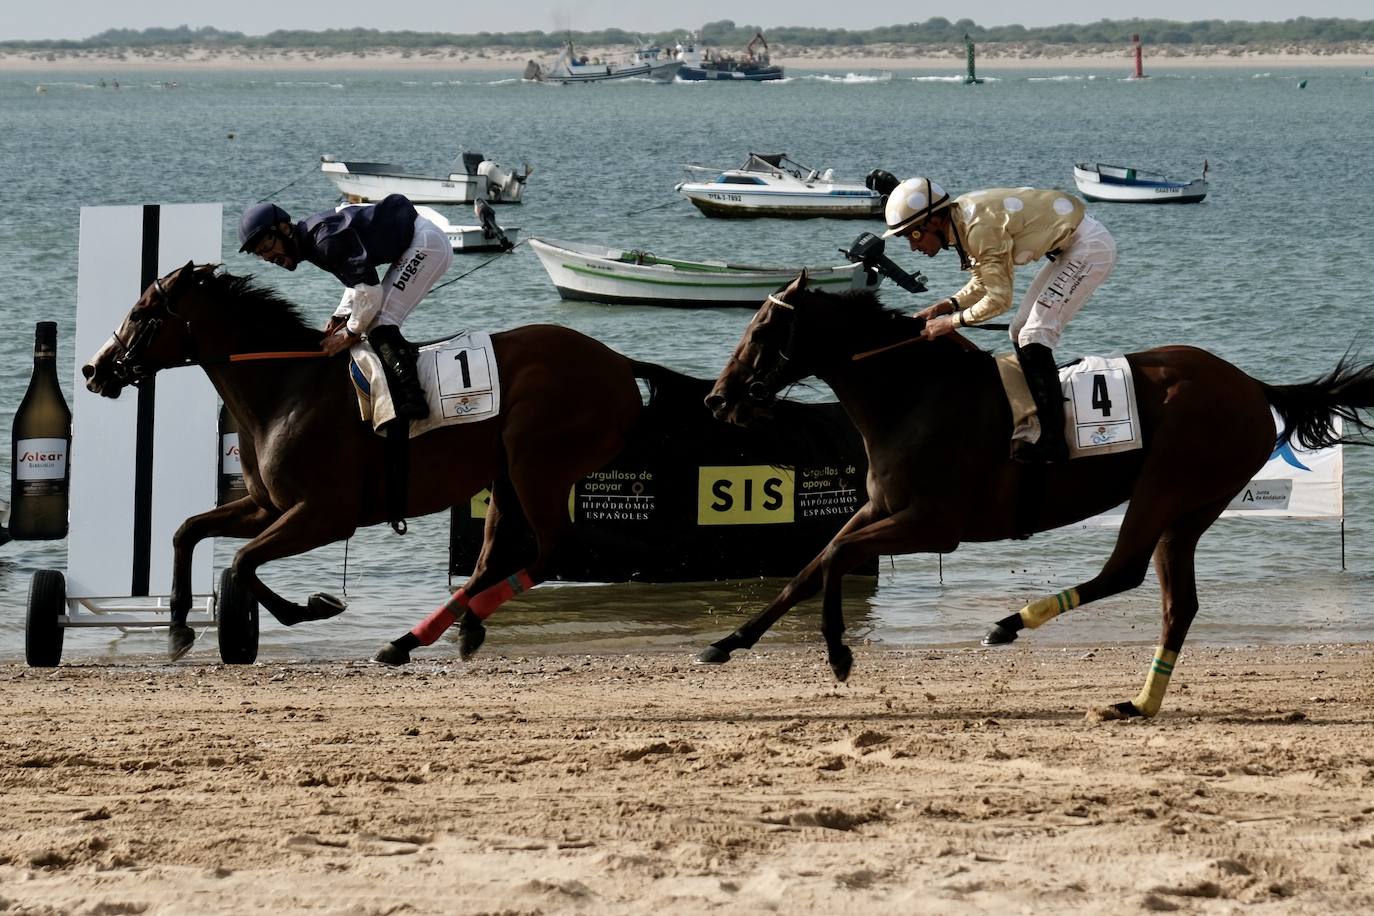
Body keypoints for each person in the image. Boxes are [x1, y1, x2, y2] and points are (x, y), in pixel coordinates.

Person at [883, 177, 1117, 463]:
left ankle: (1053, 441)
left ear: (932, 221)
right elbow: (983, 282)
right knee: (1019, 331)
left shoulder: (978, 228)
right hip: (1071, 247)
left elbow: (999, 300)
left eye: (912, 235)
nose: (913, 247)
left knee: (1035, 335)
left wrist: (949, 323)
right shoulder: (962, 221)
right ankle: (1036, 420)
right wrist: (945, 306)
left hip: (1088, 248)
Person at [237, 194, 453, 421]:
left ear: (283, 228)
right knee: (368, 319)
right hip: (415, 241)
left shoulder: (323, 241)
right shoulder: (312, 241)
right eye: (260, 253)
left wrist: (349, 334)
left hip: (425, 245)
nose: (268, 257)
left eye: (267, 246)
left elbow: (369, 289)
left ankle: (413, 400)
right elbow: (356, 284)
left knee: (380, 321)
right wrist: (339, 316)